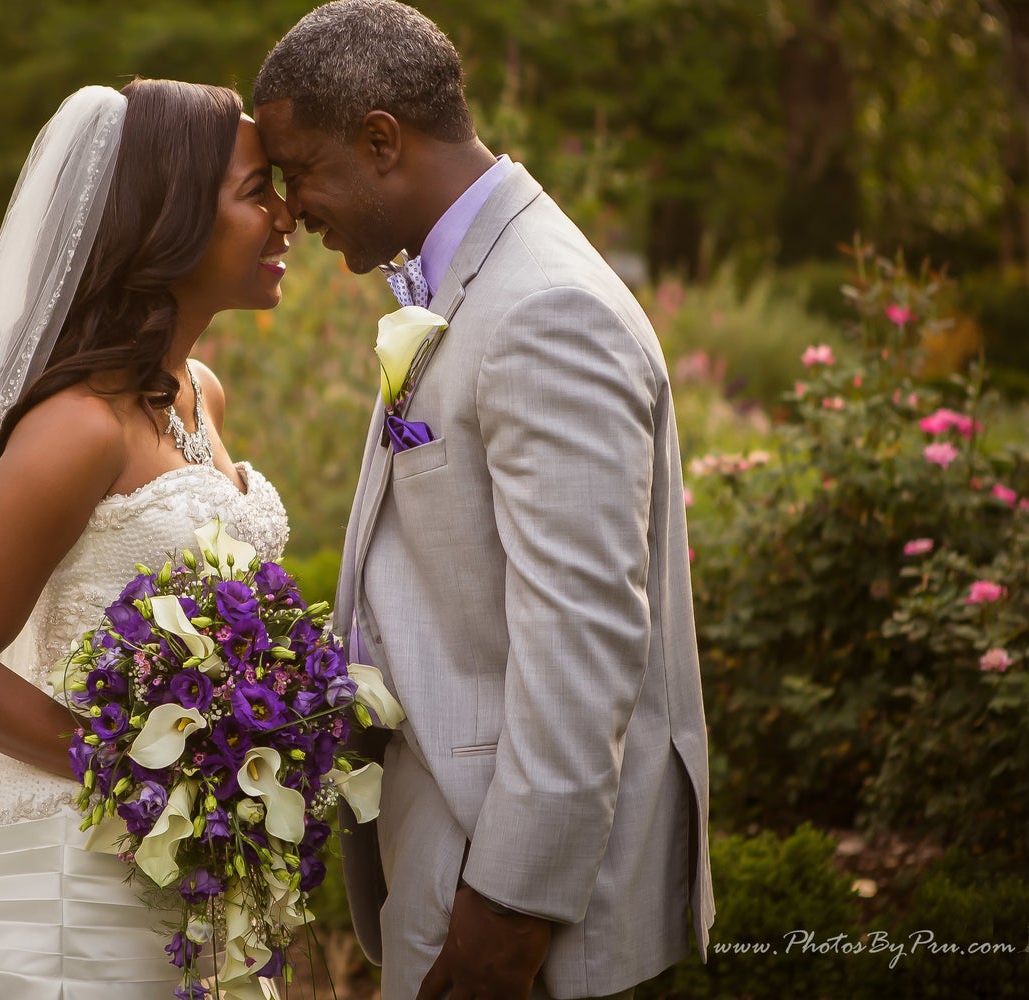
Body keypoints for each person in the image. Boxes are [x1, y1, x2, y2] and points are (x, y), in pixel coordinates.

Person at [252, 3, 715, 999]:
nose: (289, 209)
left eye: (299, 171)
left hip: (506, 883)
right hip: (450, 840)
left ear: (382, 140)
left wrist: (507, 910)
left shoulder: (545, 308)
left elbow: (582, 636)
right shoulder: (469, 280)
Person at [0, 79, 295, 1000]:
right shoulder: (79, 426)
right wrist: (155, 779)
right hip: (80, 882)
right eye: (259, 192)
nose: (287, 218)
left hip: (184, 864)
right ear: (174, 218)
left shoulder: (200, 393)